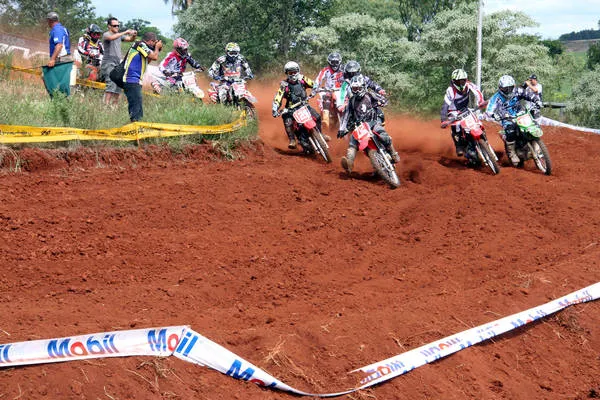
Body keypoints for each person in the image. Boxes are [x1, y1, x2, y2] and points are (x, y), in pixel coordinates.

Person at [337, 74, 400, 173]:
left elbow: (383, 100)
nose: (356, 91)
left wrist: (381, 102)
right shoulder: (351, 101)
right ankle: (349, 164)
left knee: (382, 135)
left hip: (373, 122)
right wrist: (341, 129)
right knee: (353, 141)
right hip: (360, 127)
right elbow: (345, 116)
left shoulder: (370, 95)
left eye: (358, 88)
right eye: (354, 89)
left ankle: (393, 153)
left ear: (363, 87)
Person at [486, 74, 542, 166]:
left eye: (510, 88)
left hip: (521, 113)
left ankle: (537, 147)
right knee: (510, 130)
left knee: (534, 124)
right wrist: (493, 115)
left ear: (513, 86)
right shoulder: (496, 97)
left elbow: (528, 94)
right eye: (505, 88)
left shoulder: (517, 90)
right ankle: (512, 153)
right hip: (507, 118)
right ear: (500, 88)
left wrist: (537, 100)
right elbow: (489, 109)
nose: (508, 90)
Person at [271, 61, 322, 150]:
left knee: (317, 117)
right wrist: (275, 109)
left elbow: (314, 84)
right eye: (290, 72)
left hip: (304, 105)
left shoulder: (302, 79)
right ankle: (292, 140)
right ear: (287, 73)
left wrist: (314, 91)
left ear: (298, 71)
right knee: (288, 122)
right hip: (291, 109)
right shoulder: (284, 85)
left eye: (295, 72)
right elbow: (278, 97)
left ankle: (320, 135)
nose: (293, 74)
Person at [440, 68, 485, 156]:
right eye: (458, 82)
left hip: (465, 108)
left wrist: (481, 102)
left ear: (466, 80)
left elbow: (478, 93)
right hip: (453, 111)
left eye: (463, 81)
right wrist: (443, 119)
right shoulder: (450, 90)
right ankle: (459, 146)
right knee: (456, 125)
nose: (461, 83)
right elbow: (445, 106)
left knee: (476, 121)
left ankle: (482, 138)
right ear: (453, 81)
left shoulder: (469, 85)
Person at [122, 32, 162, 122]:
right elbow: (155, 57)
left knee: (138, 108)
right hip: (131, 80)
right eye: (154, 42)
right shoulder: (140, 44)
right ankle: (134, 130)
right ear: (150, 41)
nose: (155, 44)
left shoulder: (141, 48)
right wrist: (157, 48)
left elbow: (148, 60)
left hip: (136, 80)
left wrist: (156, 49)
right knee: (136, 110)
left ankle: (137, 128)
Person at [100, 17, 137, 105]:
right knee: (111, 84)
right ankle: (105, 106)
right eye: (114, 25)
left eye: (118, 25)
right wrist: (125, 32)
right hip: (108, 62)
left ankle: (114, 107)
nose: (117, 27)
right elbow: (112, 38)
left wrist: (134, 34)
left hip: (117, 63)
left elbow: (130, 39)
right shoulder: (106, 34)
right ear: (109, 26)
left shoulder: (119, 35)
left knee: (119, 85)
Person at [314, 52, 344, 126]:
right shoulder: (325, 70)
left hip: (341, 91)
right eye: (332, 62)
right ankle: (325, 120)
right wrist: (315, 87)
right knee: (326, 98)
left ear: (339, 62)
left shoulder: (344, 70)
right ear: (329, 62)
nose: (334, 64)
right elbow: (318, 79)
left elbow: (350, 79)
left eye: (336, 62)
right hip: (328, 91)